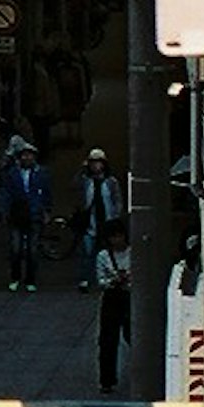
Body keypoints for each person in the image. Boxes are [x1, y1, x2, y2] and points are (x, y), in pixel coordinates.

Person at [0, 137, 50, 291]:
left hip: (34, 214)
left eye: (29, 155)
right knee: (15, 248)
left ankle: (30, 279)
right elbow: (5, 193)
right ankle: (16, 277)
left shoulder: (41, 173)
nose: (27, 158)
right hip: (16, 214)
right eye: (24, 155)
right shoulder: (12, 174)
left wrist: (46, 210)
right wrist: (4, 211)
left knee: (32, 250)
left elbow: (46, 194)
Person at [90, 220, 135, 393]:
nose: (117, 240)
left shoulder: (133, 253)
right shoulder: (103, 256)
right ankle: (106, 380)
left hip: (128, 296)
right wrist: (113, 280)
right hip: (111, 297)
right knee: (107, 340)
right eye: (113, 237)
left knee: (133, 335)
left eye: (119, 235)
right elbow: (101, 280)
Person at [74, 149, 125, 292]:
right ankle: (85, 279)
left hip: (107, 220)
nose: (96, 166)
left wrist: (116, 216)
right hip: (90, 222)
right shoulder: (85, 181)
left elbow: (117, 199)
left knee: (107, 251)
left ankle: (107, 278)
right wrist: (81, 169)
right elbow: (75, 186)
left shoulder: (111, 182)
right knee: (88, 252)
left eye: (99, 163)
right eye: (93, 163)